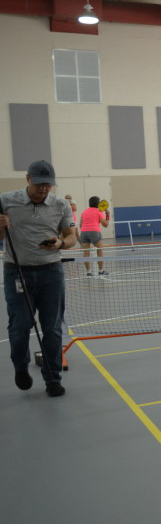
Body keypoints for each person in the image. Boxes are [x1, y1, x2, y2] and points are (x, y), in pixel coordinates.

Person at [0, 160, 78, 397]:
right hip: (17, 271)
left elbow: (72, 237)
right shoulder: (5, 201)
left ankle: (53, 378)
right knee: (20, 326)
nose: (44, 189)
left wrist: (61, 244)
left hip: (51, 272)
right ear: (27, 179)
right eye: (39, 185)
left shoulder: (61, 205)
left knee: (53, 328)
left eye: (48, 185)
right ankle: (21, 367)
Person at [79, 196, 111, 277]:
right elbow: (106, 225)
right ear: (98, 203)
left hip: (83, 232)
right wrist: (107, 214)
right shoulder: (98, 211)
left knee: (86, 252)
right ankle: (101, 271)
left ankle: (88, 272)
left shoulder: (84, 212)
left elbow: (80, 225)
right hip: (94, 232)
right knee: (100, 251)